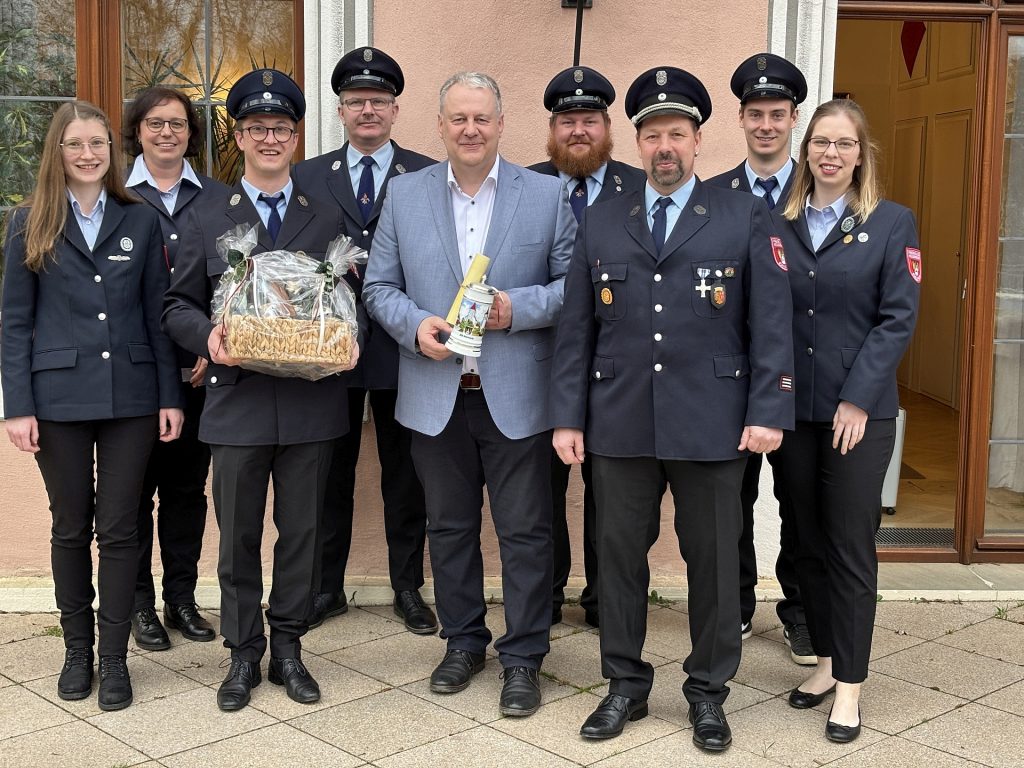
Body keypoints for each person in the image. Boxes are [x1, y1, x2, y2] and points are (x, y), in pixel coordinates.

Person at [549, 67, 795, 751]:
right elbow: (577, 328)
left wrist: (767, 408)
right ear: (637, 140)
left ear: (696, 141)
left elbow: (770, 322)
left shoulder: (742, 213)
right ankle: (624, 686)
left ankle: (708, 692)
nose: (665, 147)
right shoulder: (603, 217)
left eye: (677, 135)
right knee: (618, 558)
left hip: (712, 420)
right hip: (619, 419)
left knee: (714, 563)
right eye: (653, 134)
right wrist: (569, 416)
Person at [363, 71, 575, 717]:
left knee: (526, 533)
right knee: (449, 528)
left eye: (481, 118)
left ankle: (523, 658)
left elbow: (575, 286)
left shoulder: (546, 194)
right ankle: (463, 643)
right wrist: (413, 326)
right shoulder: (405, 195)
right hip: (436, 393)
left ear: (502, 123)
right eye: (458, 118)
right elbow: (378, 288)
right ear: (441, 125)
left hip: (518, 396)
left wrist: (520, 308)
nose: (471, 129)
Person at [162, 68, 355, 712]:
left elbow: (352, 304)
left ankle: (290, 649)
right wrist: (207, 339)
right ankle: (244, 653)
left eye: (280, 127)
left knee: (301, 533)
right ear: (237, 137)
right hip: (237, 402)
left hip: (311, 405)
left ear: (296, 136)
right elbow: (177, 305)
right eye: (255, 128)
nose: (268, 138)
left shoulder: (328, 215)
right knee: (239, 534)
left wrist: (350, 343)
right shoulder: (208, 216)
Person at [1, 101, 184, 711]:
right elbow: (15, 322)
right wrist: (16, 405)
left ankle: (113, 660)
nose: (87, 153)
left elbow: (159, 320)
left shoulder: (140, 219)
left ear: (113, 151)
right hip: (56, 399)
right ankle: (76, 651)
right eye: (76, 143)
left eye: (98, 143)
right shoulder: (30, 221)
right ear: (58, 151)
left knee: (121, 526)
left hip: (131, 397)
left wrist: (168, 396)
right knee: (70, 526)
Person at [774, 98, 920, 743]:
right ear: (807, 151)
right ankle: (827, 664)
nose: (831, 153)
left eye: (844, 144)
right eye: (821, 142)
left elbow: (897, 318)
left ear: (861, 155)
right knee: (805, 542)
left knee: (849, 546)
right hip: (796, 413)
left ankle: (851, 689)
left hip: (857, 414)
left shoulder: (891, 224)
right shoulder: (779, 224)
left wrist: (858, 399)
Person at [293, 47, 437, 634]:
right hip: (329, 352)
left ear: (396, 109)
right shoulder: (307, 176)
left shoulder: (427, 175)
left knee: (408, 475)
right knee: (330, 471)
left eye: (379, 101)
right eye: (357, 102)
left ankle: (408, 587)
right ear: (341, 110)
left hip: (404, 348)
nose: (368, 110)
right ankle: (326, 587)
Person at [528, 65, 646, 629]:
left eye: (591, 121)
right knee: (541, 495)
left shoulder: (640, 188)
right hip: (536, 368)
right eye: (568, 121)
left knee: (611, 495)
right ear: (552, 129)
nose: (580, 131)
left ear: (608, 128)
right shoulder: (521, 187)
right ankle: (547, 598)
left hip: (617, 372)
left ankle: (603, 599)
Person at [705, 52, 814, 664]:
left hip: (807, 375)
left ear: (794, 119)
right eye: (755, 114)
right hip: (732, 379)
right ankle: (739, 603)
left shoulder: (822, 189)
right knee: (733, 498)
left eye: (777, 114)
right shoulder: (716, 196)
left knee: (798, 500)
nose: (766, 125)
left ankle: (798, 610)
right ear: (740, 121)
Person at [123, 86, 229, 651]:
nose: (168, 133)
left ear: (192, 132)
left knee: (188, 490)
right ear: (137, 130)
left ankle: (181, 598)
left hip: (198, 371)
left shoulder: (219, 200)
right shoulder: (115, 196)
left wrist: (205, 348)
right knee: (133, 491)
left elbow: (232, 289)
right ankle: (137, 603)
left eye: (179, 124)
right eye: (155, 123)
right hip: (135, 373)